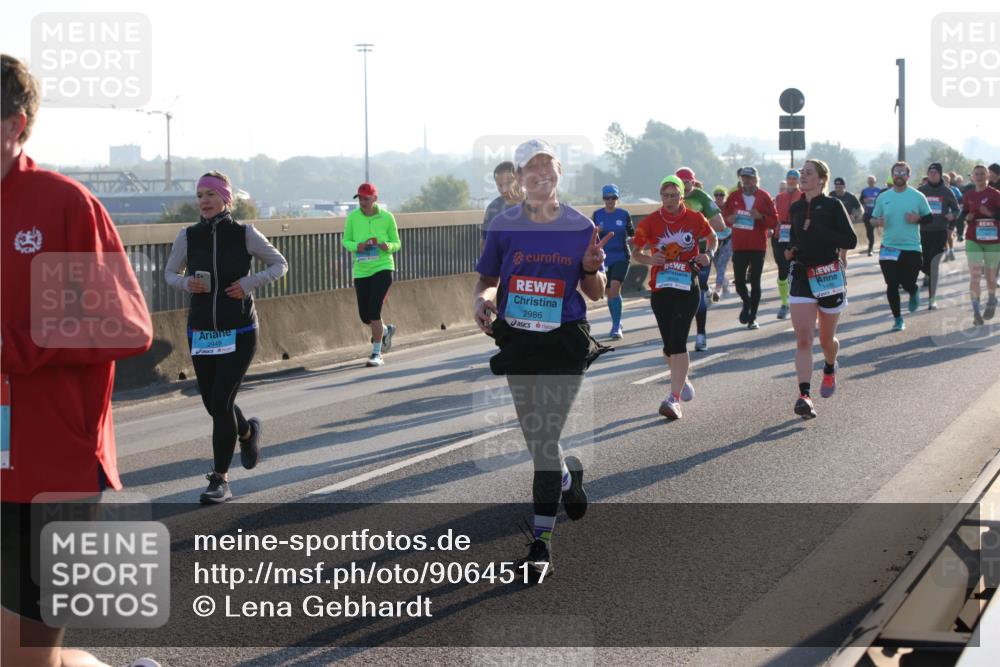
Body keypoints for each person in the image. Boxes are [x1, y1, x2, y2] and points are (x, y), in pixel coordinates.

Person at [1, 53, 156, 667]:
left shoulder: (61, 205)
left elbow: (126, 325)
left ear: (16, 123)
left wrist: (13, 346)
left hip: (52, 468)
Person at [473, 139, 606, 580]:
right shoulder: (504, 224)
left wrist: (590, 268)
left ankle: (541, 545)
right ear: (519, 177)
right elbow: (487, 281)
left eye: (548, 167)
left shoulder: (579, 225)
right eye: (532, 168)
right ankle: (567, 479)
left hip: (564, 339)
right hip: (520, 340)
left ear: (559, 173)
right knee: (538, 441)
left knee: (545, 438)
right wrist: (485, 301)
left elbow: (596, 292)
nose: (540, 174)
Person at [164, 171, 288, 503]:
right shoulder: (187, 236)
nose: (203, 201)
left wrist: (249, 284)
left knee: (220, 403)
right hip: (202, 331)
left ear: (225, 198)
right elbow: (168, 274)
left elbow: (279, 264)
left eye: (210, 194)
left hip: (240, 330)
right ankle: (247, 432)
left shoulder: (245, 233)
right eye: (199, 195)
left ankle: (220, 480)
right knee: (213, 402)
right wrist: (185, 283)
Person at [631, 175, 717, 419]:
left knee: (678, 341)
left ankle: (674, 399)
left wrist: (708, 254)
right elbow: (636, 251)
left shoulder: (694, 218)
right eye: (664, 195)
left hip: (687, 287)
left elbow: (713, 237)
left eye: (673, 195)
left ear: (682, 196)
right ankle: (683, 378)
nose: (668, 200)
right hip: (660, 290)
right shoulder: (649, 222)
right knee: (669, 346)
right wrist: (650, 259)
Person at [785, 160, 858, 419]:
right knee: (804, 339)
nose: (803, 176)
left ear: (821, 179)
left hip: (828, 275)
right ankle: (804, 395)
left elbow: (850, 240)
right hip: (803, 275)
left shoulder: (833, 206)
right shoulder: (795, 208)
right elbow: (793, 236)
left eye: (808, 173)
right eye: (801, 173)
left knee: (827, 340)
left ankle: (829, 366)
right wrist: (790, 249)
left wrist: (821, 230)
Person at [342, 182, 401, 367]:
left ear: (375, 198)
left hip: (383, 267)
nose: (362, 202)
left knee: (374, 311)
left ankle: (377, 354)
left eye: (365, 198)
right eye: (359, 198)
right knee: (365, 316)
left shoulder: (387, 217)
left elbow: (397, 243)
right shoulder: (352, 218)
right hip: (361, 269)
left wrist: (387, 246)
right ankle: (385, 330)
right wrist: (356, 246)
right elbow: (346, 241)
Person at [871, 162, 933, 331]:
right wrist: (877, 222)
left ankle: (913, 290)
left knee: (907, 282)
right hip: (889, 247)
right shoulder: (883, 197)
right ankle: (898, 319)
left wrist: (917, 219)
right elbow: (872, 218)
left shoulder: (917, 196)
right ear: (892, 175)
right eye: (896, 173)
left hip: (911, 247)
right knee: (891, 284)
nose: (899, 175)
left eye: (903, 172)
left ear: (908, 176)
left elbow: (929, 217)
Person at [675, 168, 726, 350]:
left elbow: (720, 225)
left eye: (687, 182)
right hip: (678, 254)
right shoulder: (673, 197)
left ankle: (701, 335)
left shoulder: (702, 197)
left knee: (698, 292)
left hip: (700, 253)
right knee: (680, 294)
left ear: (693, 182)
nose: (684, 186)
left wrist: (699, 222)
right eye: (680, 182)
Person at [722, 166, 778, 329]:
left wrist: (760, 217)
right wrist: (729, 219)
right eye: (743, 178)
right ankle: (746, 304)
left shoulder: (764, 196)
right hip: (739, 245)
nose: (746, 181)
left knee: (755, 281)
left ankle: (753, 317)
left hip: (757, 246)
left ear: (755, 179)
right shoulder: (733, 196)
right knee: (739, 282)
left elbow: (774, 221)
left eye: (749, 178)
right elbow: (724, 217)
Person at [960, 164, 1000, 325]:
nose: (979, 176)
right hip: (973, 239)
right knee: (975, 275)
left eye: (982, 174)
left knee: (990, 277)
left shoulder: (996, 194)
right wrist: (967, 217)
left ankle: (991, 299)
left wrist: (989, 214)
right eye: (976, 174)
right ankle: (976, 312)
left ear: (988, 176)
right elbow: (963, 214)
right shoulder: (968, 195)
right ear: (972, 177)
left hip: (993, 241)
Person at [592, 184, 633, 339]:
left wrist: (638, 242)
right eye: (607, 198)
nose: (610, 201)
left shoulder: (624, 214)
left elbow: (632, 233)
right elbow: (591, 236)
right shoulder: (597, 215)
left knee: (615, 289)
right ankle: (617, 320)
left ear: (617, 198)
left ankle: (616, 327)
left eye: (613, 197)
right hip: (604, 259)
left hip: (622, 257)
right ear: (603, 199)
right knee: (610, 294)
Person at [917, 163, 960, 309]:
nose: (933, 174)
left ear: (940, 174)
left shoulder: (947, 191)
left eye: (935, 172)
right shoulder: (921, 191)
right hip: (922, 232)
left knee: (934, 264)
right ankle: (926, 273)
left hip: (940, 231)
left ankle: (932, 300)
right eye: (930, 172)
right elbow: (912, 207)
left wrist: (952, 215)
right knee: (923, 263)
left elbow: (956, 210)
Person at [773, 169, 805, 320]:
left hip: (796, 235)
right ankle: (784, 303)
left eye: (794, 178)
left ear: (798, 181)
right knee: (782, 267)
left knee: (794, 267)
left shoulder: (803, 196)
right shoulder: (779, 197)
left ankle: (797, 300)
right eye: (789, 178)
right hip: (780, 235)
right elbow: (775, 216)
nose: (791, 181)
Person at [481, 161, 523, 247]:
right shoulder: (493, 208)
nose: (504, 189)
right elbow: (484, 242)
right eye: (500, 185)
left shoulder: (534, 204)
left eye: (508, 183)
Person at [710, 186, 734, 302]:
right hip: (714, 240)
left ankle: (717, 289)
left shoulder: (729, 206)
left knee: (721, 265)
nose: (719, 197)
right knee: (717, 265)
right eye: (716, 195)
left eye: (721, 195)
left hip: (728, 239)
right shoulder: (710, 207)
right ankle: (724, 282)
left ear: (725, 196)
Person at [860, 175, 882, 257]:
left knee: (883, 231)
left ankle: (885, 247)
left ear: (875, 181)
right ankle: (870, 248)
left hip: (878, 214)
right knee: (869, 233)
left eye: (872, 180)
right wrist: (864, 201)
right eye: (869, 180)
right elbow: (860, 201)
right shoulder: (864, 191)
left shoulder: (879, 190)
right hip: (868, 214)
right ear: (867, 182)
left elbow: (882, 201)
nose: (870, 182)